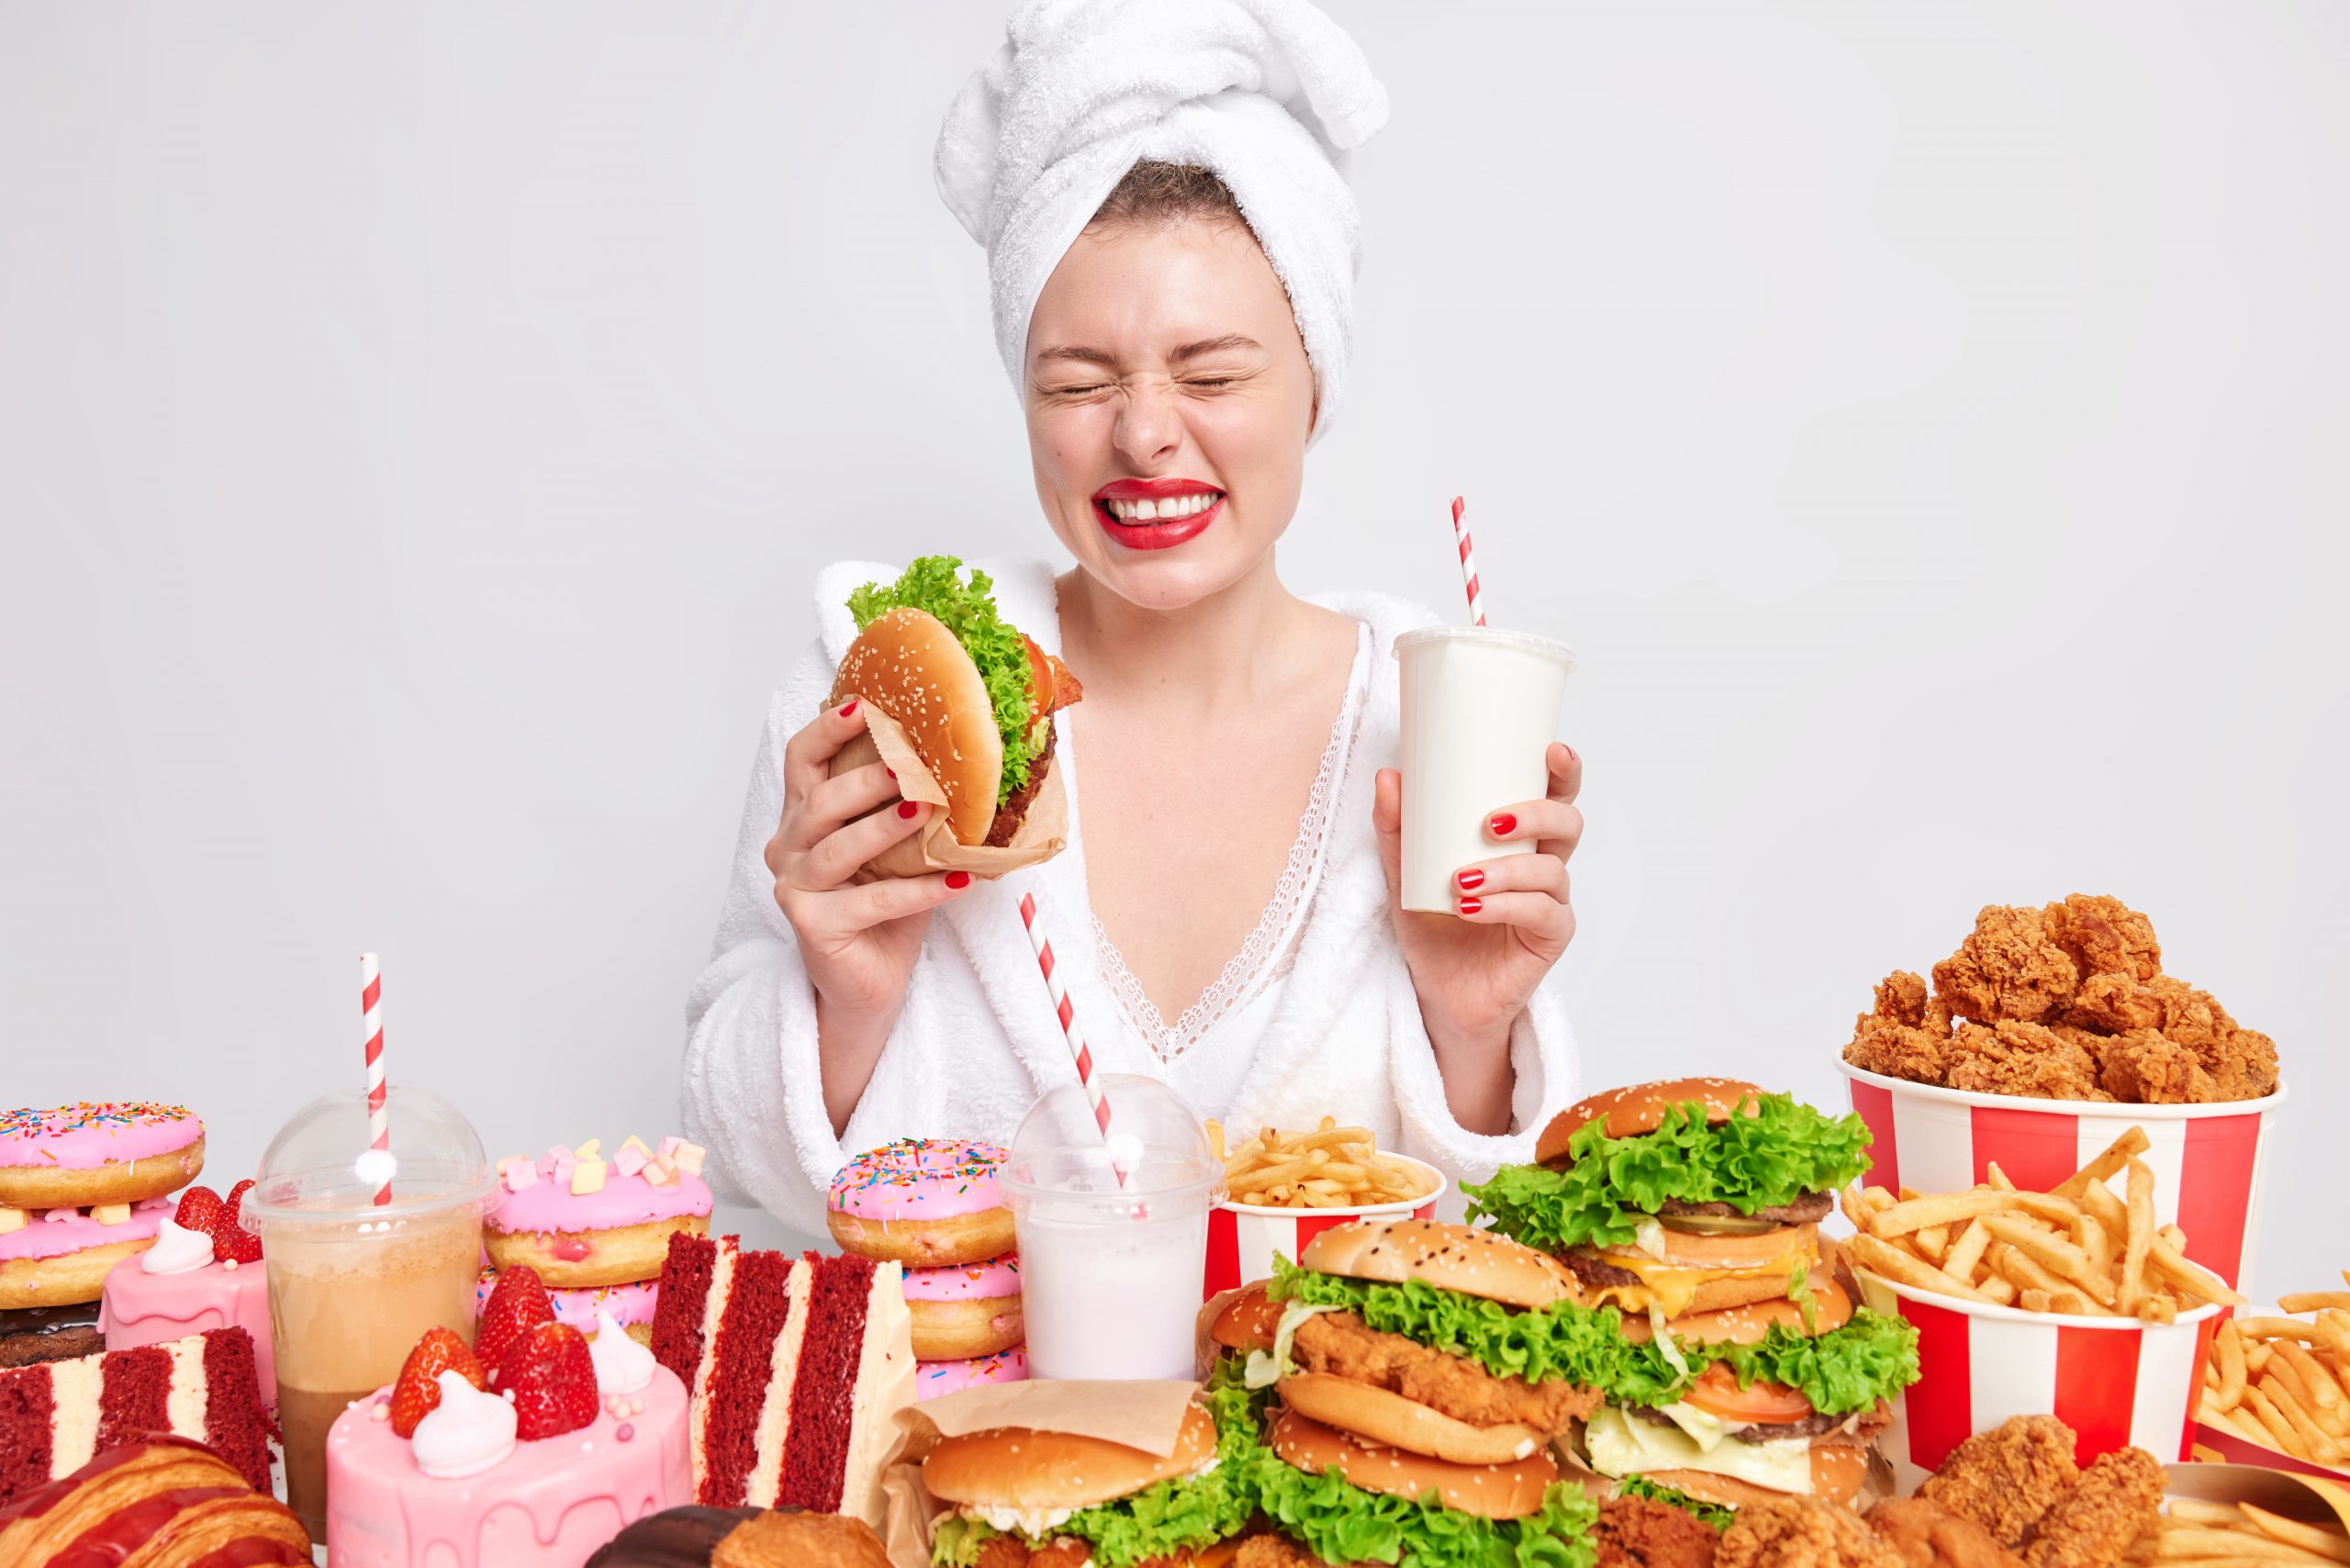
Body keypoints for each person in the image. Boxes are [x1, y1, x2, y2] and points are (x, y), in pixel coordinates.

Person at [682, 0, 1583, 1240]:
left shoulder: (1421, 734)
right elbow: (731, 1164)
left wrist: (1471, 1036)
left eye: (1212, 375)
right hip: (971, 1426)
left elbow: (1478, 1259)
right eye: (1079, 381)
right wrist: (841, 1004)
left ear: (1313, 380)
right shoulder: (872, 705)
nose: (1146, 431)